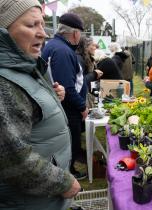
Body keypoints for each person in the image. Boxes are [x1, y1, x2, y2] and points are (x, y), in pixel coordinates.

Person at [0, 0, 81, 209]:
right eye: (31, 25)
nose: (43, 34)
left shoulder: (23, 64)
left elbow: (26, 103)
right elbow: (15, 160)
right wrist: (64, 183)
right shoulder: (3, 83)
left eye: (42, 25)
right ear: (3, 30)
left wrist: (51, 97)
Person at [42, 13, 88, 179]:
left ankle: (68, 173)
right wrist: (82, 106)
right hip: (68, 110)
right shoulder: (62, 51)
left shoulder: (54, 45)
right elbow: (66, 88)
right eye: (80, 34)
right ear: (75, 33)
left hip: (62, 107)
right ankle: (68, 177)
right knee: (71, 144)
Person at [76, 37, 103, 108]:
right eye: (93, 45)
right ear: (86, 46)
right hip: (83, 99)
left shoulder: (88, 59)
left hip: (90, 96)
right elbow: (80, 81)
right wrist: (94, 74)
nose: (95, 48)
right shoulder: (79, 59)